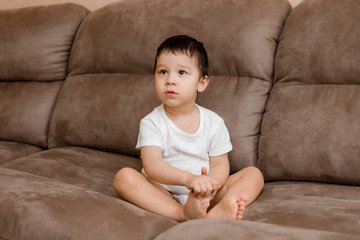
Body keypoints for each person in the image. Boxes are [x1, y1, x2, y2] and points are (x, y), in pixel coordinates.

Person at [114, 35, 264, 222]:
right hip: (163, 192)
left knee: (254, 174)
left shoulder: (214, 122)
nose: (170, 80)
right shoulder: (151, 122)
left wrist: (210, 186)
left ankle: (217, 210)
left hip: (205, 191)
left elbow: (219, 164)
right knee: (124, 177)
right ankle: (181, 213)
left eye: (181, 73)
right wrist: (189, 180)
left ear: (201, 83)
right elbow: (152, 166)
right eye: (162, 72)